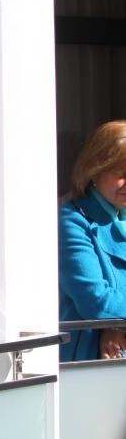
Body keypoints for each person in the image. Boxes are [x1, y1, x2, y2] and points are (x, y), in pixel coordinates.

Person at [59, 120, 126, 362]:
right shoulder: (71, 219)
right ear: (95, 171)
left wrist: (117, 326)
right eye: (121, 174)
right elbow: (96, 301)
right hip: (89, 364)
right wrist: (112, 323)